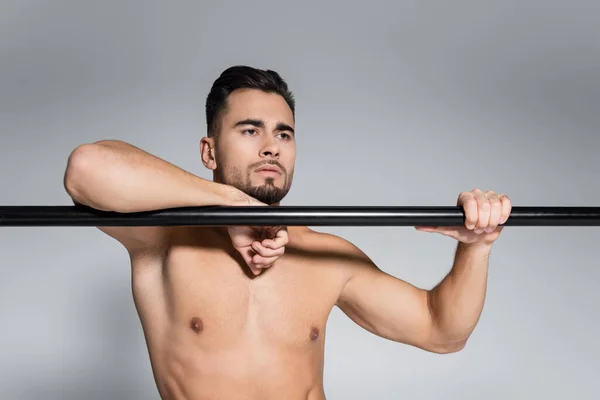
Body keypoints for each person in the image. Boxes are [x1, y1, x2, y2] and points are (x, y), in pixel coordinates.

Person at [63, 65, 512, 400]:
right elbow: (87, 168)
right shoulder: (163, 241)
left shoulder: (324, 254)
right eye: (249, 129)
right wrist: (232, 205)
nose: (271, 145)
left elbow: (443, 331)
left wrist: (477, 247)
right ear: (209, 150)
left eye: (284, 133)